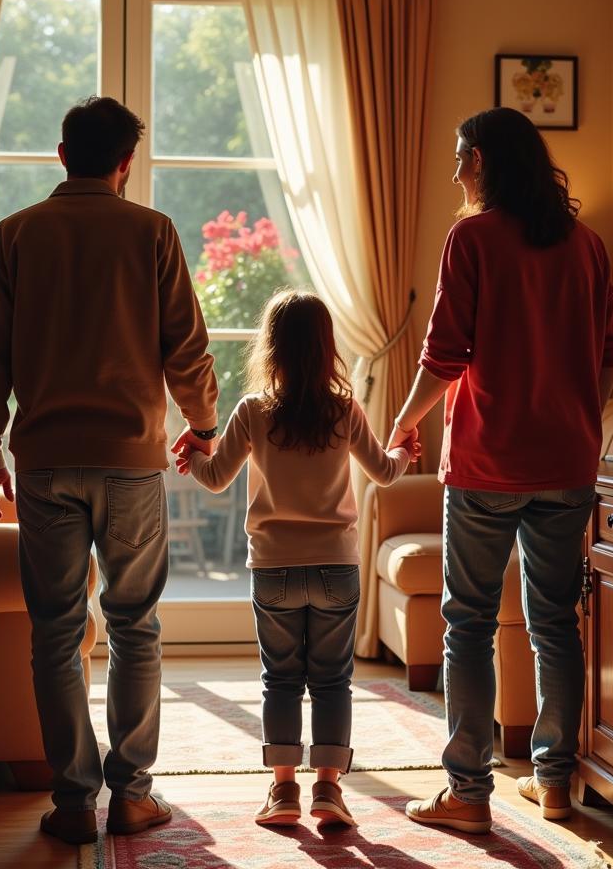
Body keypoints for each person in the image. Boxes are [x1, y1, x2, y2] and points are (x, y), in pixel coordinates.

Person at [0, 96, 218, 846]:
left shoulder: (15, 235)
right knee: (135, 627)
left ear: (62, 154)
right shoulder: (153, 232)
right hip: (132, 462)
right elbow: (187, 347)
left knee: (55, 633)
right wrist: (203, 425)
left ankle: (73, 801)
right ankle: (132, 794)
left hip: (44, 463)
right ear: (124, 164)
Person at [395, 107, 613, 834]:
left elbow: (444, 354)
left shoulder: (471, 238)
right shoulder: (586, 246)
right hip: (568, 462)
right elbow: (610, 349)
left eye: (462, 155)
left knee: (466, 624)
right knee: (556, 625)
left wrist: (405, 419)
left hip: (489, 464)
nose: (455, 169)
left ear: (487, 160)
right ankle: (554, 783)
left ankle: (468, 792)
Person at [175, 289, 419, 828]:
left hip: (274, 567)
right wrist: (404, 451)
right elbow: (384, 472)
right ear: (325, 347)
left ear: (272, 349)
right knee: (332, 681)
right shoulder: (344, 409)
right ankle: (328, 793)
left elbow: (215, 479)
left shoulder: (253, 411)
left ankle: (283, 793)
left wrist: (193, 454)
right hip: (336, 566)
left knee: (280, 680)